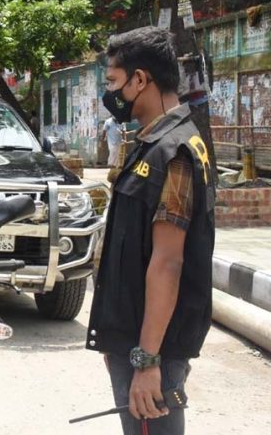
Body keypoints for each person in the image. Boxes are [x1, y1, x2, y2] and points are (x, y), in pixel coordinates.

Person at [88, 26, 215, 435]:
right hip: (135, 341)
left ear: (140, 79)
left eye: (113, 81)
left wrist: (146, 359)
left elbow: (167, 263)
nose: (111, 94)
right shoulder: (151, 143)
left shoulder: (173, 150)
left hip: (152, 351)